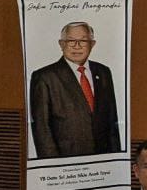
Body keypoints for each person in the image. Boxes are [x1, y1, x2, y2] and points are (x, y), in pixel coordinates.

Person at [28, 21, 122, 159]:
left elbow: (111, 121)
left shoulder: (103, 72)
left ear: (92, 44)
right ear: (61, 44)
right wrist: (53, 166)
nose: (77, 46)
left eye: (83, 41)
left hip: (102, 163)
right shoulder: (44, 77)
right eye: (71, 41)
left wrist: (115, 159)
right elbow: (42, 130)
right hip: (66, 164)